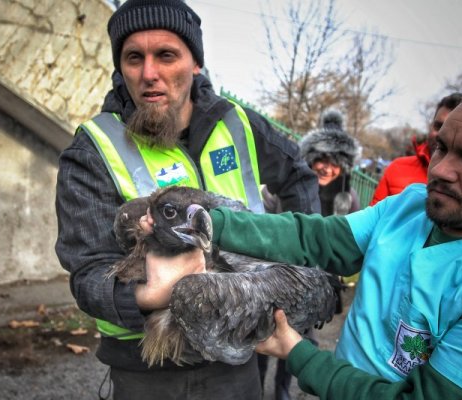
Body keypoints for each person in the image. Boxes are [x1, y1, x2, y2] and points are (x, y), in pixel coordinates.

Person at [54, 0, 320, 398]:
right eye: (133, 58)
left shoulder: (237, 122)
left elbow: (298, 175)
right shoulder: (93, 149)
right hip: (146, 366)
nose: (149, 74)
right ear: (120, 68)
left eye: (166, 55)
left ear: (195, 63)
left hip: (239, 357)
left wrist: (296, 269)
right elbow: (87, 275)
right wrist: (151, 295)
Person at [207, 85, 462, 398]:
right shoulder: (406, 206)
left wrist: (301, 356)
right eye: (441, 148)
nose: (441, 169)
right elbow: (315, 236)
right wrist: (212, 222)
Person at [370, 92, 462, 205]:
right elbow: (373, 219)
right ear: (430, 126)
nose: (441, 134)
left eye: (451, 129)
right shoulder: (396, 168)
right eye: (438, 126)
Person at [299, 109, 361, 216]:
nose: (327, 170)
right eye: (322, 160)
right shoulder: (288, 184)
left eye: (335, 164)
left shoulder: (349, 197)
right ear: (311, 159)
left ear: (343, 168)